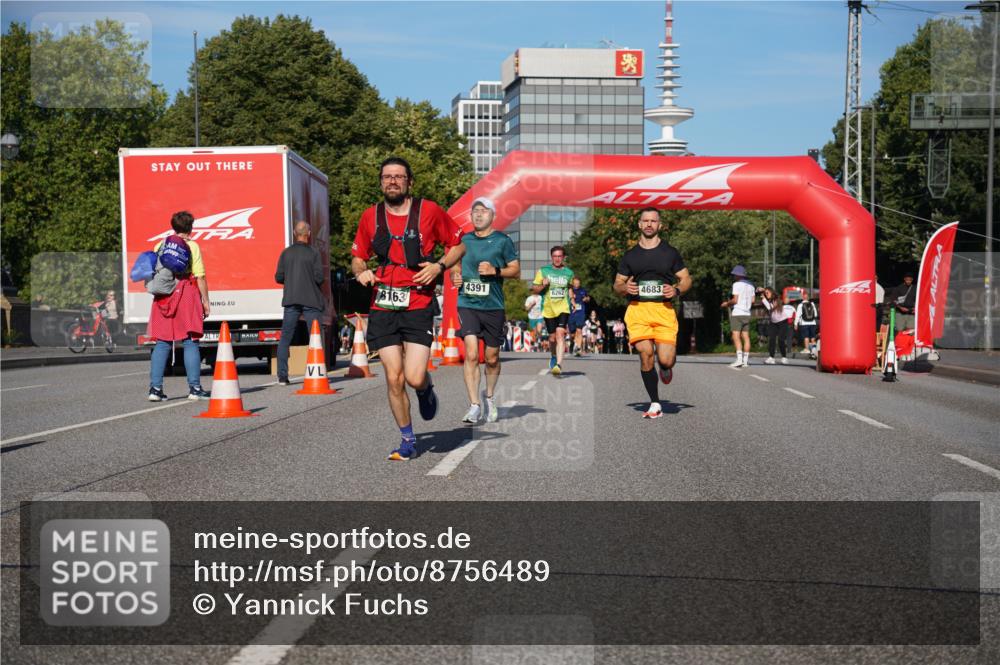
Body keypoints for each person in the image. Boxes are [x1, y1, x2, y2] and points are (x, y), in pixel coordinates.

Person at [351, 156, 465, 461]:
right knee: (394, 377)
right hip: (383, 303)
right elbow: (358, 256)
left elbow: (458, 244)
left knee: (414, 377)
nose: (392, 181)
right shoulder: (370, 217)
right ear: (381, 182)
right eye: (387, 177)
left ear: (409, 182)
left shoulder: (428, 211)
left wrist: (439, 267)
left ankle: (425, 389)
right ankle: (407, 439)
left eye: (399, 177)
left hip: (418, 301)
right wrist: (360, 270)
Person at [612, 208, 692, 419]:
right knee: (646, 354)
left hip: (663, 311)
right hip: (638, 311)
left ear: (659, 225)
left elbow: (686, 279)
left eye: (653, 221)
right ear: (639, 224)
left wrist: (676, 290)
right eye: (645, 221)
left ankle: (666, 368)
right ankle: (655, 402)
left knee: (665, 360)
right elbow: (617, 284)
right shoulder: (631, 255)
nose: (649, 224)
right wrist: (624, 288)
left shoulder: (670, 253)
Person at [451, 197, 520, 424]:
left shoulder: (502, 240)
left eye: (483, 211)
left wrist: (495, 271)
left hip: (493, 306)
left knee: (491, 358)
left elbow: (516, 271)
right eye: (474, 211)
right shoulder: (464, 240)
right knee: (471, 353)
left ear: (493, 215)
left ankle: (489, 397)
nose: (478, 215)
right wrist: (455, 275)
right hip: (467, 302)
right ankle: (474, 405)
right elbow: (454, 264)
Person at [147, 211, 211, 401]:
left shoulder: (160, 245)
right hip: (186, 293)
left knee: (162, 342)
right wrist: (205, 301)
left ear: (173, 226)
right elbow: (199, 276)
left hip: (164, 295)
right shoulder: (192, 246)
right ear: (190, 227)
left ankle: (155, 389)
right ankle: (195, 388)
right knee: (191, 340)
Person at [274, 220, 326, 385]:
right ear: (308, 234)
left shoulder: (286, 253)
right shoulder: (314, 253)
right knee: (316, 337)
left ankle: (283, 376)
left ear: (295, 234)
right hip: (311, 300)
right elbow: (319, 278)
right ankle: (318, 371)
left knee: (285, 337)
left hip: (291, 300)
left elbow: (278, 277)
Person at [531, 246, 574, 375]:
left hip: (563, 307)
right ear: (551, 257)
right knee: (552, 337)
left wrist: (572, 299)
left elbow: (570, 288)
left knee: (560, 334)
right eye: (555, 256)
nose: (557, 259)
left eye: (560, 256)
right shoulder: (543, 271)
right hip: (549, 308)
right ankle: (554, 355)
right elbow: (534, 290)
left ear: (563, 257)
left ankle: (559, 365)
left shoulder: (569, 273)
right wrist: (543, 285)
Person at [720, 265, 755, 368]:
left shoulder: (736, 285)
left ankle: (739, 360)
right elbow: (753, 301)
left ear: (738, 275)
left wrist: (726, 303)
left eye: (734, 275)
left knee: (735, 336)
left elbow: (735, 300)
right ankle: (745, 361)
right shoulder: (751, 285)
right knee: (746, 337)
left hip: (738, 313)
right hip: (747, 313)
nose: (734, 276)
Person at [760, 287, 790, 364]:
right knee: (772, 339)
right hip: (773, 323)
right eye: (765, 294)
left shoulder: (776, 299)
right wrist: (762, 292)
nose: (766, 295)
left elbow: (770, 307)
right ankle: (771, 357)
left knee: (781, 340)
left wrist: (764, 296)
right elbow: (758, 290)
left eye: (768, 293)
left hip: (783, 321)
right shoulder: (768, 300)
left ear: (772, 292)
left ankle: (784, 357)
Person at [568, 276, 590, 357]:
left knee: (579, 330)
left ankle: (578, 348)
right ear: (573, 283)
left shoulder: (583, 290)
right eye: (575, 283)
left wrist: (586, 299)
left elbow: (588, 298)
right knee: (572, 333)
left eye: (578, 283)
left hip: (580, 312)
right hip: (571, 313)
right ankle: (572, 342)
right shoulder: (570, 290)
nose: (577, 284)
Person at [795, 292, 819, 359]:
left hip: (804, 323)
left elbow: (798, 315)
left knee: (806, 336)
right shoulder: (812, 304)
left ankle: (807, 349)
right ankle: (814, 350)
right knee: (812, 336)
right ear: (808, 297)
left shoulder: (800, 305)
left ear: (803, 297)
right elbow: (816, 314)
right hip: (813, 323)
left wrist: (795, 323)